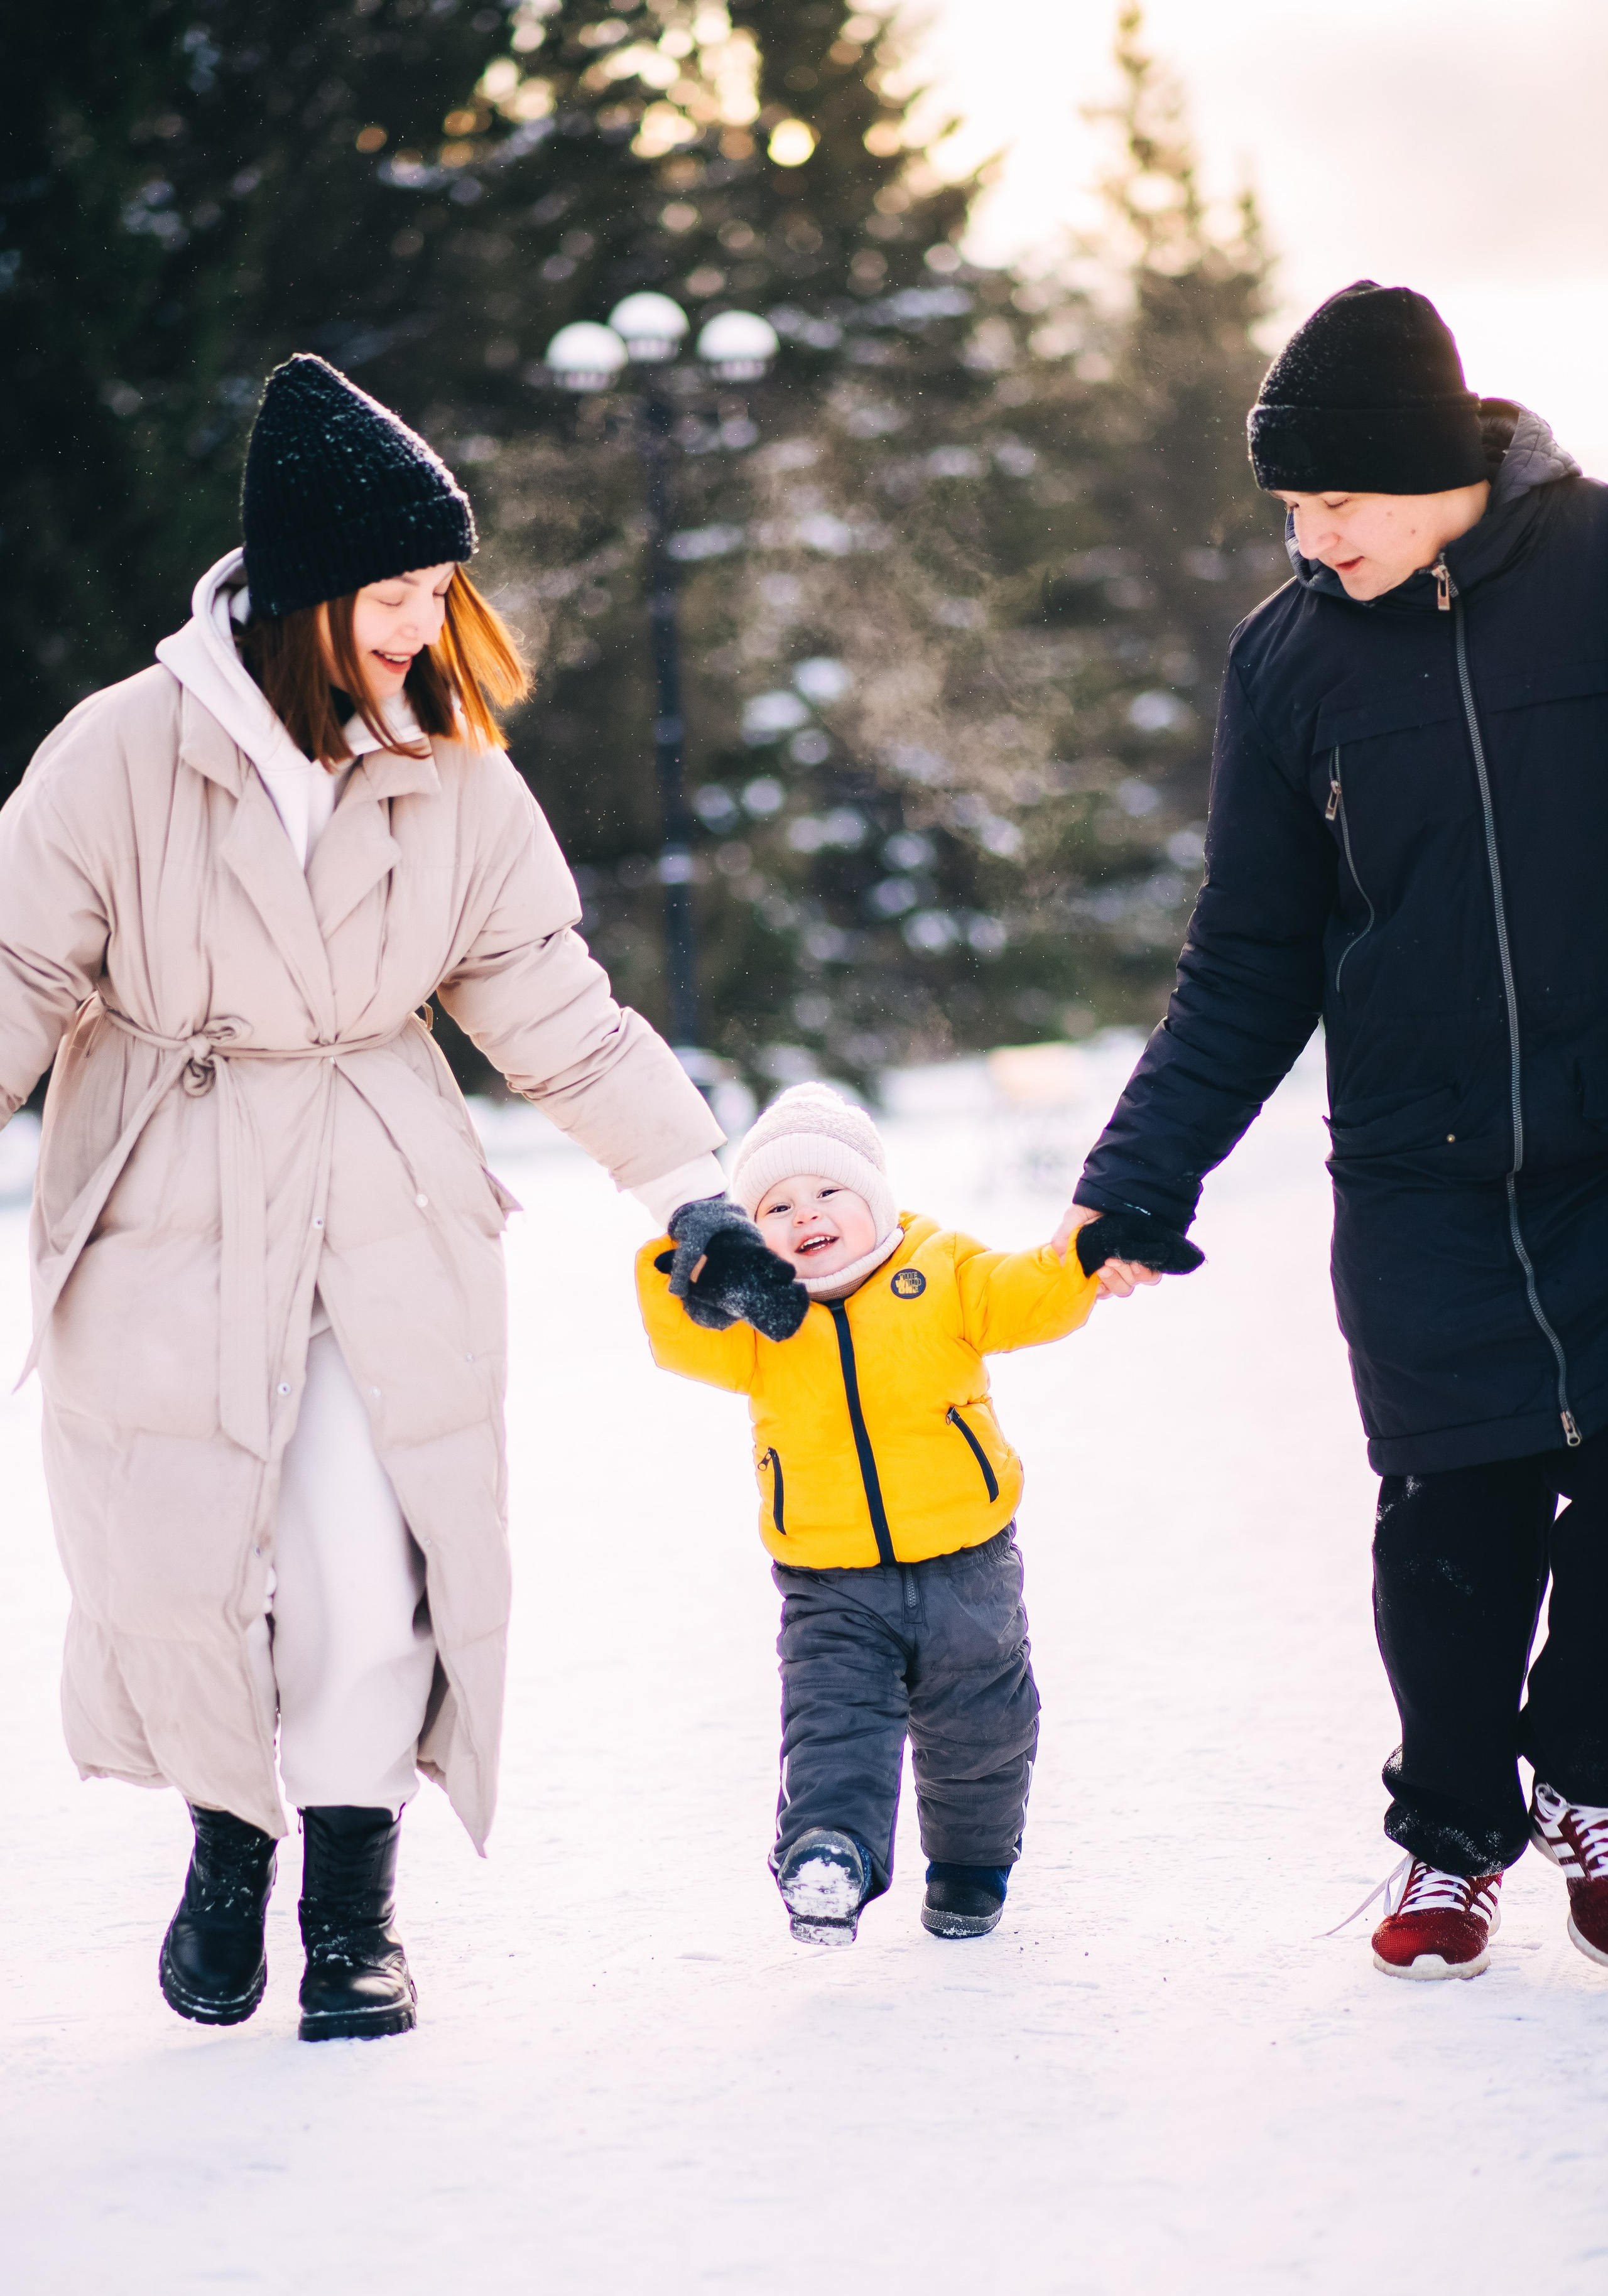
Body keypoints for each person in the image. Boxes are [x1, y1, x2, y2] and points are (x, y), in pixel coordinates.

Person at [0, 352, 740, 2040]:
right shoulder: (118, 754)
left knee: (362, 1556)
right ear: (303, 587)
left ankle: (350, 1905)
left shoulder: (453, 768)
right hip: (164, 1196)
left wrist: (687, 1187)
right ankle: (224, 1840)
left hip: (379, 1192)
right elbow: (15, 970)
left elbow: (544, 991)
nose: (420, 624)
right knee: (182, 1563)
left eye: (437, 592)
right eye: (392, 593)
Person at [1062, 280, 1608, 1983]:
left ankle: (1591, 1775)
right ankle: (1453, 1832)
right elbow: (1251, 950)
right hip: (1421, 1166)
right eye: (1290, 508)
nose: (1311, 536)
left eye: (1335, 501)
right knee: (1454, 1526)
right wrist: (1143, 1174)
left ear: (1434, 470)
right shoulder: (1291, 662)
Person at [639, 1083, 1192, 1946]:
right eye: (776, 1206)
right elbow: (681, 1336)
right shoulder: (761, 1320)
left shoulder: (940, 1272)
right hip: (829, 1580)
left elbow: (1026, 1294)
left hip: (968, 1566)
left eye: (828, 1193)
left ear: (876, 1199)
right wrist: (691, 1265)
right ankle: (830, 1855)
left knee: (985, 1727)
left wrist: (1087, 1256)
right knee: (832, 1724)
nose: (806, 1214)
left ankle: (972, 1870)